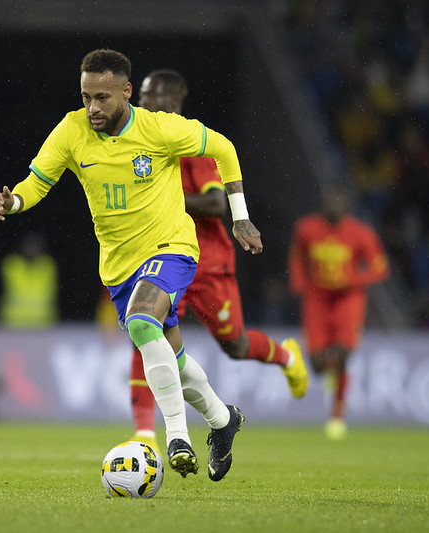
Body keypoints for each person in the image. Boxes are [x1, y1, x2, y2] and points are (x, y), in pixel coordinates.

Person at [0, 49, 261, 482]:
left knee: (140, 321)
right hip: (119, 266)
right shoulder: (72, 130)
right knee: (174, 358)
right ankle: (223, 420)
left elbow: (223, 148)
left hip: (171, 248)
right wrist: (14, 200)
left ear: (126, 92)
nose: (93, 107)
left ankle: (176, 437)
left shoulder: (159, 129)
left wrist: (240, 215)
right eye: (86, 97)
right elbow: (38, 182)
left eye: (102, 97)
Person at [129, 70, 310, 454]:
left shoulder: (189, 144)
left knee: (236, 345)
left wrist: (165, 197)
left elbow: (214, 203)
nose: (143, 104)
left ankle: (286, 355)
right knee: (145, 327)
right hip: (164, 255)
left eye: (150, 97)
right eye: (141, 96)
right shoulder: (139, 142)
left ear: (173, 104)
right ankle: (145, 433)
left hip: (208, 263)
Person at [288, 185, 389, 440]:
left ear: (345, 205)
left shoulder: (360, 233)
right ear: (324, 203)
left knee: (343, 351)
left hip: (348, 298)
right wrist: (298, 281)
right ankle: (323, 368)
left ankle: (337, 412)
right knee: (319, 364)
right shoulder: (306, 228)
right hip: (317, 298)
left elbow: (380, 267)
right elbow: (297, 256)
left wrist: (353, 278)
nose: (333, 205)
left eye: (338, 200)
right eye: (329, 200)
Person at [0, 232, 59, 328]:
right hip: (14, 320)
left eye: (35, 248)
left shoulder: (47, 266)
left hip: (43, 321)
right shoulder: (12, 265)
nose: (32, 251)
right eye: (29, 247)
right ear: (22, 249)